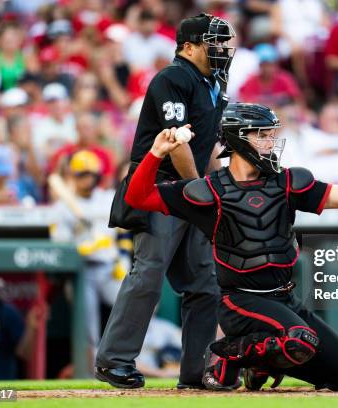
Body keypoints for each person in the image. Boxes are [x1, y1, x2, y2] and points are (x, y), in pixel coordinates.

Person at [124, 102, 338, 391]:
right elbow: (136, 196)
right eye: (262, 135)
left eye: (271, 134)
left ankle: (260, 363)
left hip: (286, 299)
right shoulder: (208, 191)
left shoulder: (288, 181)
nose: (271, 142)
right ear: (238, 139)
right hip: (240, 301)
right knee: (299, 339)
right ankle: (230, 352)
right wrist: (156, 153)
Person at [96, 13, 236, 390]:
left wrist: (218, 187)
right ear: (188, 45)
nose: (222, 49)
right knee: (149, 271)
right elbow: (177, 142)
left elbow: (210, 146)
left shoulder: (213, 84)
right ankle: (114, 361)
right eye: (214, 42)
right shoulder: (172, 77)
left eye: (224, 42)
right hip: (159, 188)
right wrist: (199, 189)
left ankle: (196, 372)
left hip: (191, 190)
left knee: (205, 282)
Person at [50, 151, 120, 361]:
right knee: (87, 327)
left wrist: (122, 259)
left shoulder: (108, 198)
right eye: (81, 175)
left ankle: (122, 359)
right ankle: (90, 374)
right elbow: (59, 243)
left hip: (110, 266)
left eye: (89, 174)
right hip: (81, 272)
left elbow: (122, 232)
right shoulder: (62, 207)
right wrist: (80, 245)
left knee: (133, 307)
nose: (85, 179)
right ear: (73, 176)